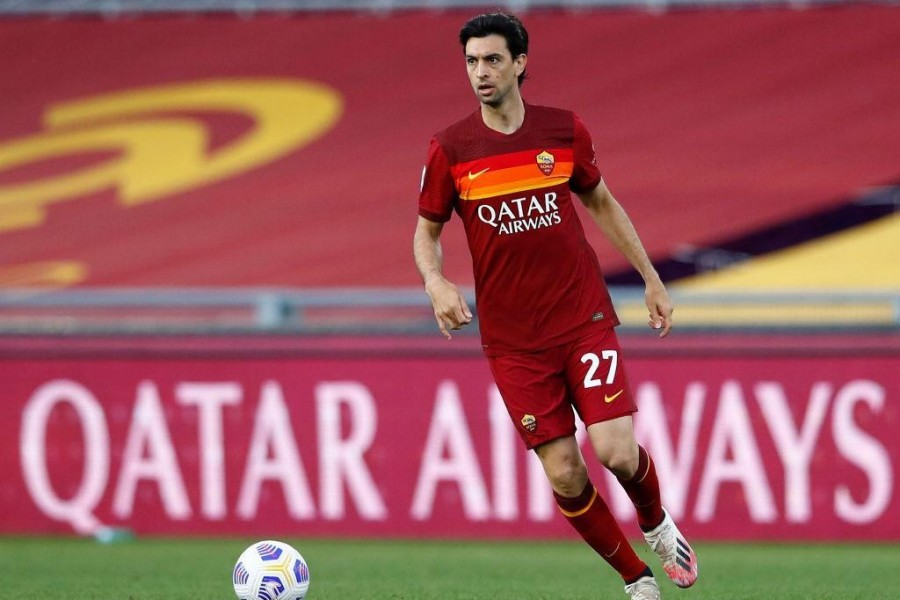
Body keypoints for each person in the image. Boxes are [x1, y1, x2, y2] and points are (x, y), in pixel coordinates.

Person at [412, 11, 698, 600]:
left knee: (616, 452)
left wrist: (650, 277)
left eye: (492, 59)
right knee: (566, 472)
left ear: (520, 63)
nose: (480, 72)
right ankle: (636, 580)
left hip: (581, 317)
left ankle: (655, 520)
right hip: (514, 341)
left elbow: (603, 204)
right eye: (471, 61)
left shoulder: (562, 131)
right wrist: (435, 281)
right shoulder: (451, 148)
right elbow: (426, 232)